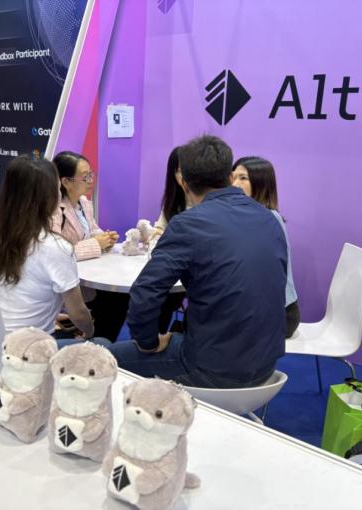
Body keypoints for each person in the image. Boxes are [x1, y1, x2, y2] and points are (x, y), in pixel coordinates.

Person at [107, 135, 287, 388]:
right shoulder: (269, 218)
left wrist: (148, 343)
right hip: (266, 365)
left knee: (102, 358)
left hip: (212, 368)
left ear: (184, 182)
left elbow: (145, 293)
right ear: (229, 176)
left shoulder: (187, 224)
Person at [0, 155, 101, 346]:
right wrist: (89, 333)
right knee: (103, 343)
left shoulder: (2, 235)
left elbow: (20, 293)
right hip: (29, 350)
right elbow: (79, 314)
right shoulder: (55, 247)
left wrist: (51, 316)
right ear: (49, 197)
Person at [51, 151, 128, 341]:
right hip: (69, 281)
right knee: (115, 301)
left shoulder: (84, 202)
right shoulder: (53, 209)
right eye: (85, 177)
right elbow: (56, 252)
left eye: (91, 174)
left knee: (120, 297)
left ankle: (99, 340)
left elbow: (91, 229)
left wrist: (105, 237)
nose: (90, 180)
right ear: (66, 182)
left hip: (89, 271)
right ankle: (95, 341)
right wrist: (96, 244)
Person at [231, 157, 300, 338]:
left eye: (243, 178)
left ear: (260, 183)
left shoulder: (268, 219)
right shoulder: (244, 216)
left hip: (279, 314)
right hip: (257, 308)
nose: (234, 184)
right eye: (233, 177)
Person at [150, 146, 189, 334]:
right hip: (172, 267)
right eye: (179, 171)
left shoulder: (207, 203)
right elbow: (159, 230)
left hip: (194, 273)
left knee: (163, 298)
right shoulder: (174, 200)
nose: (183, 176)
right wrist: (153, 235)